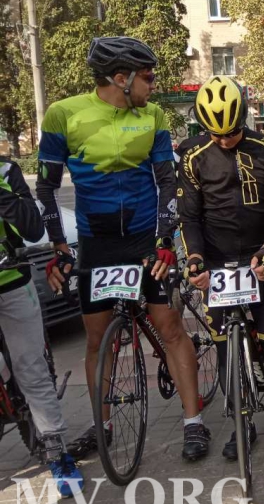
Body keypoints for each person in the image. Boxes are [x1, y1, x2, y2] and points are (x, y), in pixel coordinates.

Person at [37, 36, 208, 462]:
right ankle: (103, 426)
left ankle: (193, 422)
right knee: (97, 341)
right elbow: (45, 187)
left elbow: (167, 181)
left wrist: (165, 240)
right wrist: (60, 245)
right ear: (120, 78)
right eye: (147, 78)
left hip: (144, 238)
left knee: (170, 327)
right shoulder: (63, 114)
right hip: (97, 243)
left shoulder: (152, 116)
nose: (153, 85)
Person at [178, 76, 264, 467]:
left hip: (262, 258)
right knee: (225, 351)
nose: (224, 140)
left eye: (231, 132)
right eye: (215, 134)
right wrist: (195, 259)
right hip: (218, 264)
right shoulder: (192, 155)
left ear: (244, 119)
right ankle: (241, 424)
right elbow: (189, 216)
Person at [0, 157, 83, 496]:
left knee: (31, 369)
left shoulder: (6, 171)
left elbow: (33, 229)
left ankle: (58, 452)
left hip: (12, 282)